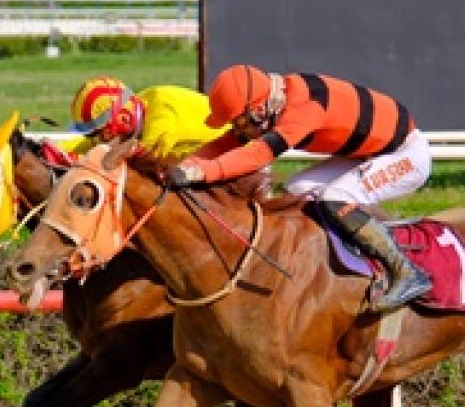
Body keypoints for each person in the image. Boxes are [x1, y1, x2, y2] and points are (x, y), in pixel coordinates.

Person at [166, 64, 434, 313]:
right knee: (297, 189)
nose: (237, 130)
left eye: (239, 122)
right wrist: (183, 165)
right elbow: (226, 144)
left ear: (257, 110)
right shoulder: (271, 102)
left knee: (335, 198)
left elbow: (258, 155)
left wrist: (201, 172)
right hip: (369, 152)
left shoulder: (303, 109)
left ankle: (406, 272)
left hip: (404, 155)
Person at [62, 75, 228, 163]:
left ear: (124, 120)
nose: (95, 140)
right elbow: (96, 146)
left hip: (234, 162)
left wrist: (78, 159)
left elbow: (119, 160)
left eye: (95, 134)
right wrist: (60, 149)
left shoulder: (159, 126)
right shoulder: (138, 104)